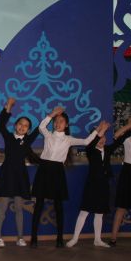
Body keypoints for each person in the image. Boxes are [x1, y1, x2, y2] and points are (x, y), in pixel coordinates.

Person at [30, 106, 106, 248]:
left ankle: (59, 238)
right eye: (56, 121)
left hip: (57, 171)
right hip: (44, 169)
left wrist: (98, 130)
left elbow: (86, 142)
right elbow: (41, 126)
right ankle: (34, 238)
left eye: (61, 121)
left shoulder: (68, 139)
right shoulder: (48, 135)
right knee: (39, 204)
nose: (58, 123)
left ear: (66, 125)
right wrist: (52, 114)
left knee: (58, 206)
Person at [68, 120, 131, 248]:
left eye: (103, 137)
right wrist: (100, 130)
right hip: (92, 185)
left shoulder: (107, 150)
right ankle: (75, 238)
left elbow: (120, 140)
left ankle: (97, 239)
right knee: (84, 212)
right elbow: (92, 142)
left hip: (104, 185)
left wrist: (130, 129)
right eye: (99, 137)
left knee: (99, 213)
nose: (102, 140)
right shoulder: (90, 150)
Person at [0, 98, 40, 248]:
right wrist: (8, 107)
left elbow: (40, 128)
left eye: (26, 126)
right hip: (7, 175)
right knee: (3, 208)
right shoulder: (8, 137)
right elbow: (1, 123)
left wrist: (51, 115)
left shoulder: (27, 140)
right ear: (15, 125)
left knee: (19, 208)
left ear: (28, 130)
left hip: (20, 177)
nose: (22, 127)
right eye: (20, 124)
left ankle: (20, 237)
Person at [109, 115, 131, 246]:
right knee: (121, 206)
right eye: (129, 122)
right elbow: (116, 135)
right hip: (127, 171)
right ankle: (113, 238)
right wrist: (129, 126)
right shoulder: (126, 136)